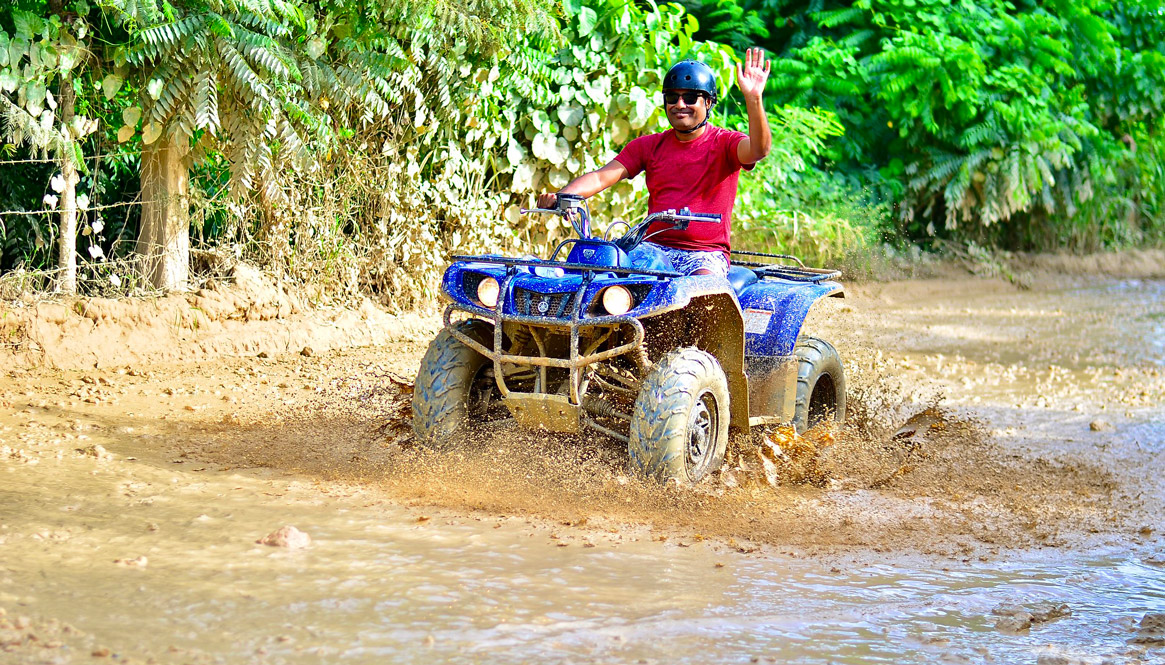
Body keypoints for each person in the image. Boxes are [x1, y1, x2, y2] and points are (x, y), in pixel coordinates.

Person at [537, 48, 772, 277]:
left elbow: (759, 149)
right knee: (609, 275)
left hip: (705, 254)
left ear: (708, 103)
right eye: (672, 97)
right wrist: (562, 197)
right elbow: (601, 176)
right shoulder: (649, 146)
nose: (680, 104)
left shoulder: (725, 143)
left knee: (704, 293)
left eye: (690, 97)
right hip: (652, 248)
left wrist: (753, 98)